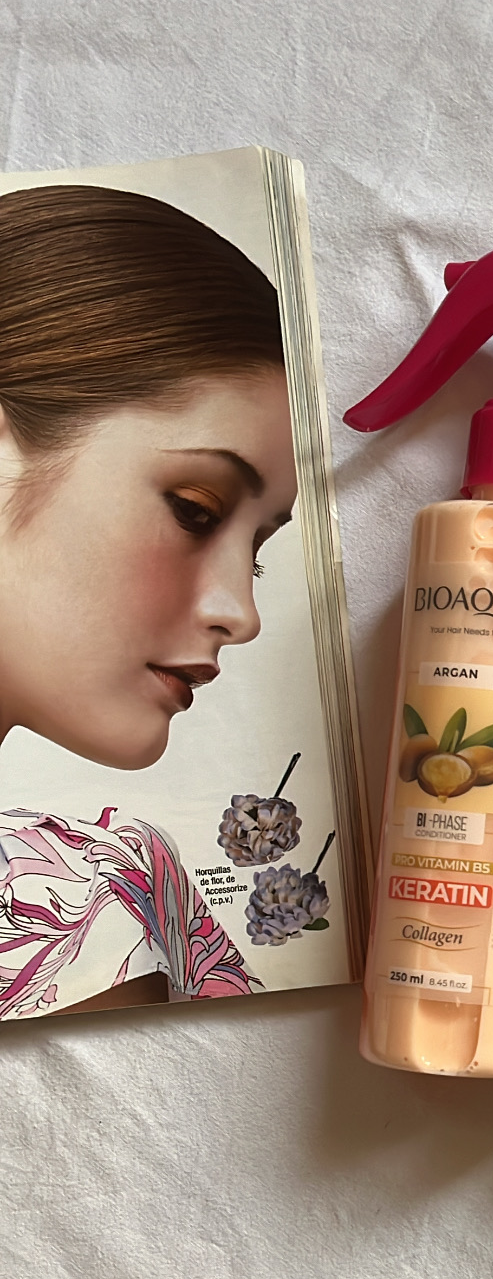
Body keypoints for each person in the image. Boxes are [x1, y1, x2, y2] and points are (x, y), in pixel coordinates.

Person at [0, 184, 298, 1018]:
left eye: (258, 551)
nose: (242, 615)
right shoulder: (84, 911)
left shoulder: (108, 891)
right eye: (195, 510)